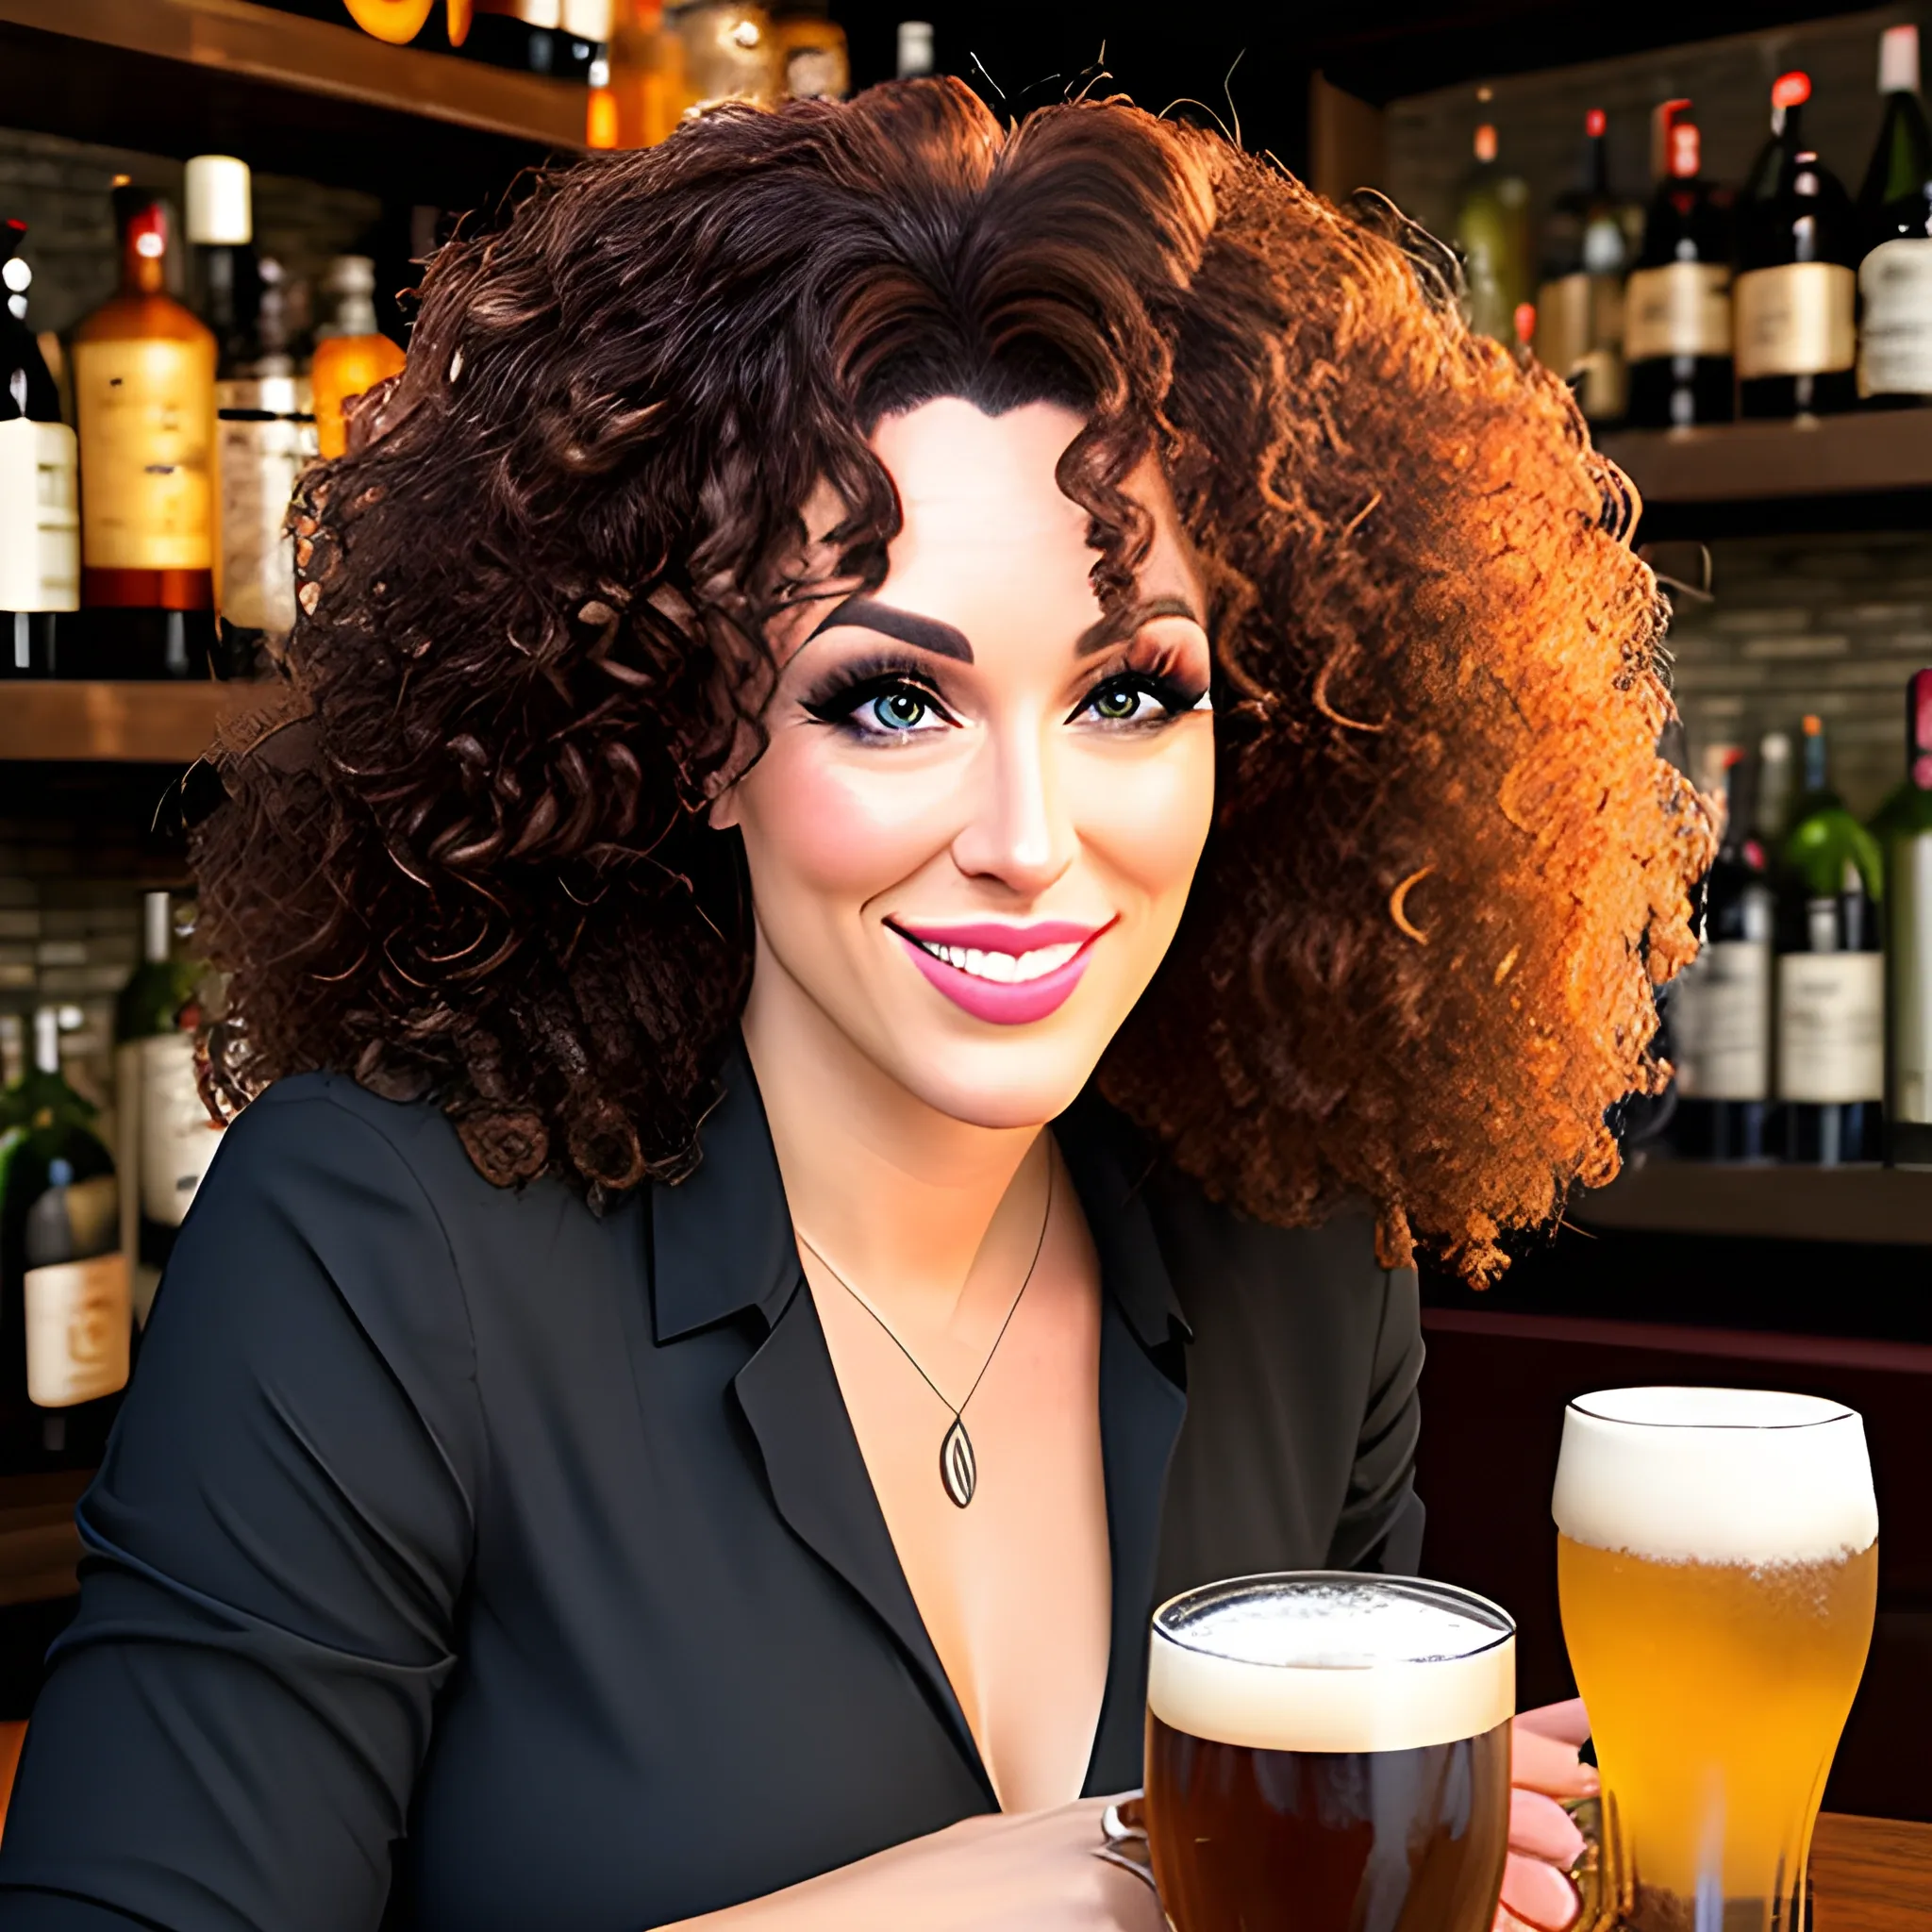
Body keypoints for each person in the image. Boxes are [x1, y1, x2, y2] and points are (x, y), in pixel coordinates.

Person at [0, 78, 1707, 1931]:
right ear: (694, 730)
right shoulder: (377, 1248)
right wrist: (980, 1895)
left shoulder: (1304, 1259)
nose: (1028, 839)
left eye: (1129, 692)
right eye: (892, 699)